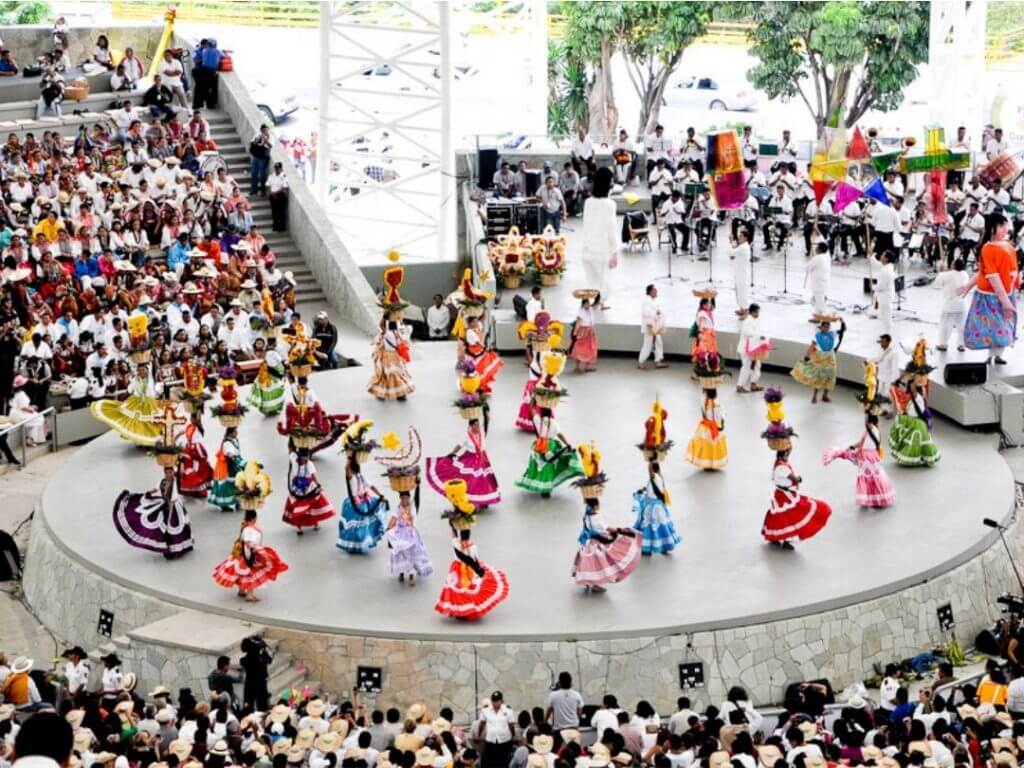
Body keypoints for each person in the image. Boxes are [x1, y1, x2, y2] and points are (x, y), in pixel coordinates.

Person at [961, 215, 1018, 364]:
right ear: (992, 228)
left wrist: (1008, 296)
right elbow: (989, 275)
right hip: (990, 297)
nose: (1006, 229)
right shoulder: (988, 249)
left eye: (1006, 225)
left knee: (1003, 326)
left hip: (1006, 293)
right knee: (991, 327)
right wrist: (969, 285)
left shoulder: (1009, 246)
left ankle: (997, 354)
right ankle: (990, 354)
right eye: (1001, 226)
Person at [113, 463, 195, 559]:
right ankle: (172, 550)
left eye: (170, 472)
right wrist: (148, 493)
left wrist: (179, 462)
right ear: (164, 473)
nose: (169, 474)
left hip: (176, 507)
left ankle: (183, 547)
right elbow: (156, 489)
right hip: (166, 506)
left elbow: (180, 475)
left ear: (173, 472)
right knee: (167, 529)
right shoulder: (162, 481)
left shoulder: (176, 481)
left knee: (178, 527)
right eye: (167, 472)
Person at [761, 447, 832, 549]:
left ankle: (775, 537)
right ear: (784, 453)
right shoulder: (782, 467)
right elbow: (794, 478)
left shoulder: (778, 462)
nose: (789, 454)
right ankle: (785, 540)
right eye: (788, 452)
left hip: (781, 493)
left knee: (779, 516)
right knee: (790, 516)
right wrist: (799, 479)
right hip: (784, 495)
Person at [212, 509, 289, 602]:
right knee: (251, 575)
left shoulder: (247, 527)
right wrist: (259, 551)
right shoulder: (249, 529)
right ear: (253, 518)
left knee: (242, 573)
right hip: (249, 555)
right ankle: (249, 595)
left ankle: (241, 590)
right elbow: (249, 543)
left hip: (243, 554)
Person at [823, 413, 896, 508]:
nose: (864, 422)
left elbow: (862, 443)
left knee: (865, 477)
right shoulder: (876, 430)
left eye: (866, 420)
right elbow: (865, 443)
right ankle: (878, 497)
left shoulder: (870, 430)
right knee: (875, 477)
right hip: (873, 456)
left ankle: (867, 498)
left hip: (866, 457)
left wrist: (853, 448)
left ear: (869, 422)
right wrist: (853, 447)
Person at [435, 527, 509, 621]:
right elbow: (475, 558)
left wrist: (452, 524)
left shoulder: (455, 543)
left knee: (457, 589)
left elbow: (453, 534)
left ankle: (460, 611)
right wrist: (478, 569)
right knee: (469, 588)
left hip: (457, 568)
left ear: (460, 535)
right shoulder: (472, 545)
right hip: (470, 570)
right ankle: (469, 609)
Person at [425, 418, 500, 508]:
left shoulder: (482, 433)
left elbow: (486, 423)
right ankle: (472, 501)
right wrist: (452, 453)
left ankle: (483, 501)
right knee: (474, 480)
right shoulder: (467, 436)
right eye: (475, 425)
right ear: (471, 426)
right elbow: (459, 445)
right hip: (471, 459)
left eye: (478, 425)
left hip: (482, 458)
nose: (477, 427)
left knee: (484, 479)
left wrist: (486, 415)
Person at [516, 406, 584, 497]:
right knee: (549, 466)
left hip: (539, 446)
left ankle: (539, 485)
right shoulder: (553, 422)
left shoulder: (537, 420)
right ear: (550, 413)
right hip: (550, 447)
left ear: (541, 413)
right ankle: (546, 489)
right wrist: (567, 444)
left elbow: (531, 408)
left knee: (539, 466)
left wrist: (534, 399)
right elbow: (560, 434)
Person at [581, 167, 618, 310]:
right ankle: (599, 301)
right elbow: (612, 230)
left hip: (588, 246)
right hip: (602, 248)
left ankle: (597, 301)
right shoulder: (609, 205)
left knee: (593, 278)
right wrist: (614, 252)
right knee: (603, 279)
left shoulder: (588, 202)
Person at [337, 452, 389, 553]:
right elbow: (346, 469)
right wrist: (350, 457)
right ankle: (352, 544)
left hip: (364, 502)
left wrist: (380, 495)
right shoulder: (350, 476)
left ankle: (361, 542)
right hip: (353, 503)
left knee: (363, 525)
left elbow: (371, 486)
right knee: (353, 526)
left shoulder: (361, 476)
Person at [384, 479, 433, 585]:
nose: (404, 500)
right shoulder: (398, 508)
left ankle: (411, 574)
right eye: (402, 498)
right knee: (400, 552)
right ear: (400, 498)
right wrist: (388, 529)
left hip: (411, 533)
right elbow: (393, 518)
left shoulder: (412, 507)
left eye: (406, 498)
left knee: (411, 553)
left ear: (409, 498)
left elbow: (417, 500)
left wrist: (418, 486)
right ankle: (401, 572)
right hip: (400, 532)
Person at [889, 376, 941, 467]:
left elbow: (893, 385)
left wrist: (907, 378)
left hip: (912, 422)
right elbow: (894, 386)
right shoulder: (913, 397)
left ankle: (917, 457)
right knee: (918, 441)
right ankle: (920, 456)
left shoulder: (913, 398)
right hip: (916, 423)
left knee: (913, 441)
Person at [631, 460, 680, 555]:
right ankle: (657, 547)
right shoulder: (654, 478)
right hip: (652, 506)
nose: (648, 469)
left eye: (650, 467)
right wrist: (643, 489)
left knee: (651, 525)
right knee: (656, 526)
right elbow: (650, 487)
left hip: (655, 508)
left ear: (654, 469)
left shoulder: (655, 477)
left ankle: (650, 547)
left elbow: (653, 480)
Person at [282, 449, 336, 533]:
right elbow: (290, 450)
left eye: (306, 458)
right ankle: (299, 526)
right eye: (303, 458)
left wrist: (318, 485)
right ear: (299, 457)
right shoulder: (294, 460)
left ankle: (315, 523)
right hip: (296, 487)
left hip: (308, 487)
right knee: (297, 506)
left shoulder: (310, 464)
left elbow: (313, 476)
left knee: (312, 505)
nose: (305, 460)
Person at [791, 317, 843, 404]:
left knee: (830, 377)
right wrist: (806, 356)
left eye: (828, 327)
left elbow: (842, 330)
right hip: (821, 358)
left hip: (831, 358)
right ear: (821, 327)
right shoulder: (817, 336)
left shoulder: (832, 334)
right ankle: (814, 396)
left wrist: (842, 321)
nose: (826, 329)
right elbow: (812, 346)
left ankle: (825, 396)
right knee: (819, 376)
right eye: (825, 327)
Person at [367, 319, 414, 400]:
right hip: (398, 357)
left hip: (387, 357)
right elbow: (409, 328)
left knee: (384, 376)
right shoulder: (400, 333)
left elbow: (378, 340)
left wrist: (385, 317)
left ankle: (381, 394)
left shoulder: (385, 334)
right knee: (399, 375)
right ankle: (401, 394)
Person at [685, 388, 727, 470]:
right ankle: (712, 464)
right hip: (713, 426)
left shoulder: (703, 398)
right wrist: (721, 422)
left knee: (705, 446)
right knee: (713, 445)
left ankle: (707, 464)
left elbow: (706, 411)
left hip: (706, 426)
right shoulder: (714, 401)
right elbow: (719, 414)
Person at [934, 259, 969, 352]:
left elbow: (937, 284)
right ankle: (961, 344)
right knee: (962, 326)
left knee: (946, 325)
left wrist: (940, 271)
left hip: (949, 305)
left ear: (953, 265)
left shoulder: (946, 275)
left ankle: (943, 344)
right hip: (962, 305)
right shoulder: (965, 274)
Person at [475, 691, 516, 768]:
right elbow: (482, 724)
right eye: (493, 701)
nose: (495, 703)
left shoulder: (508, 710)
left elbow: (511, 725)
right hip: (491, 741)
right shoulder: (486, 710)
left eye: (497, 701)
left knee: (503, 763)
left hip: (504, 741)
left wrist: (513, 735)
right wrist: (478, 735)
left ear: (501, 701)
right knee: (489, 763)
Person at [209, 425, 245, 511]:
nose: (237, 433)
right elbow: (230, 454)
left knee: (237, 484)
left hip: (234, 464)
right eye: (236, 431)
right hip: (228, 466)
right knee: (228, 484)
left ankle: (238, 502)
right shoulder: (227, 443)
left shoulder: (234, 440)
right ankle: (225, 505)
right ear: (231, 433)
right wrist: (238, 462)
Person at [247, 337, 285, 415]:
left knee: (270, 392)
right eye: (258, 343)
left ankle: (272, 409)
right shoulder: (268, 353)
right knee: (268, 393)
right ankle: (269, 409)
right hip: (265, 376)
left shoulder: (267, 352)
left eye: (261, 343)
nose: (259, 345)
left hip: (268, 375)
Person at [736, 303, 769, 393]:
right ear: (753, 312)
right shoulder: (747, 321)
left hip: (754, 348)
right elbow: (748, 332)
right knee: (746, 367)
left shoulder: (754, 320)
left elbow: (757, 331)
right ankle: (740, 386)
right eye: (757, 312)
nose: (758, 314)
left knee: (757, 366)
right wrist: (759, 336)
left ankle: (753, 384)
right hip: (746, 348)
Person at [239, 635, 273, 712]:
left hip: (250, 684)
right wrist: (264, 650)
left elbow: (244, 661)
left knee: (248, 703)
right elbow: (269, 660)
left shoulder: (245, 660)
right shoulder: (261, 658)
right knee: (262, 705)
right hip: (261, 684)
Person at [638, 284, 667, 370]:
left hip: (655, 326)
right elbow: (646, 313)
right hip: (649, 326)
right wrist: (656, 314)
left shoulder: (653, 301)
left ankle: (658, 361)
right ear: (650, 291)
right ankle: (641, 362)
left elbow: (657, 312)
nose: (656, 292)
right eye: (655, 291)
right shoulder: (646, 301)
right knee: (648, 344)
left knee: (658, 342)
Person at [870, 250, 896, 335]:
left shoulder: (886, 271)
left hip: (885, 297)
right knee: (883, 316)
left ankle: (887, 334)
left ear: (887, 259)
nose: (881, 256)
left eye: (882, 255)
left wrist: (873, 288)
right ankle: (885, 334)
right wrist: (871, 256)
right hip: (885, 296)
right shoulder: (886, 267)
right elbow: (877, 265)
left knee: (886, 317)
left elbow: (882, 286)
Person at [569, 295, 598, 373]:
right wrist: (575, 333)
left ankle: (586, 367)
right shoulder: (581, 312)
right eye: (586, 303)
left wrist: (599, 297)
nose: (588, 305)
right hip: (583, 331)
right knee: (579, 349)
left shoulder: (590, 309)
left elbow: (596, 305)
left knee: (591, 348)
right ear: (583, 304)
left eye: (589, 303)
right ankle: (577, 367)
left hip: (590, 331)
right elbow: (578, 323)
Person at [806, 243, 831, 315]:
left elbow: (807, 268)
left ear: (820, 249)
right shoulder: (826, 257)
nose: (815, 248)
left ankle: (825, 321)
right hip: (823, 282)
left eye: (817, 247)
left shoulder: (817, 258)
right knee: (818, 300)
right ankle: (817, 315)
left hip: (818, 283)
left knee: (820, 303)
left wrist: (812, 259)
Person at [730, 229, 752, 314]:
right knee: (739, 291)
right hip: (739, 272)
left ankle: (746, 310)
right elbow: (735, 251)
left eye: (741, 236)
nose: (739, 237)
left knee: (742, 292)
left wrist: (731, 242)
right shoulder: (742, 246)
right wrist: (732, 242)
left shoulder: (743, 247)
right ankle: (742, 309)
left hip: (742, 273)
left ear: (745, 238)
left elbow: (731, 252)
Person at [249, 125, 272, 197]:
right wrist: (257, 140)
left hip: (263, 158)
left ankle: (263, 191)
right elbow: (252, 142)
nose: (265, 131)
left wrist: (266, 140)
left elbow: (271, 145)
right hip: (256, 156)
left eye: (266, 130)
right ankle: (254, 190)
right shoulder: (257, 135)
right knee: (254, 174)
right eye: (263, 130)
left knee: (262, 175)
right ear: (261, 130)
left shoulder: (270, 136)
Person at [267, 162, 289, 232]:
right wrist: (271, 193)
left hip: (280, 196)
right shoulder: (271, 176)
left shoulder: (284, 176)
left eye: (278, 168)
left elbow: (284, 188)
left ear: (281, 169)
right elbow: (268, 184)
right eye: (276, 168)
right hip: (273, 196)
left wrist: (275, 193)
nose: (277, 170)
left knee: (281, 212)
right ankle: (275, 226)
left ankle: (281, 227)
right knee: (274, 212)